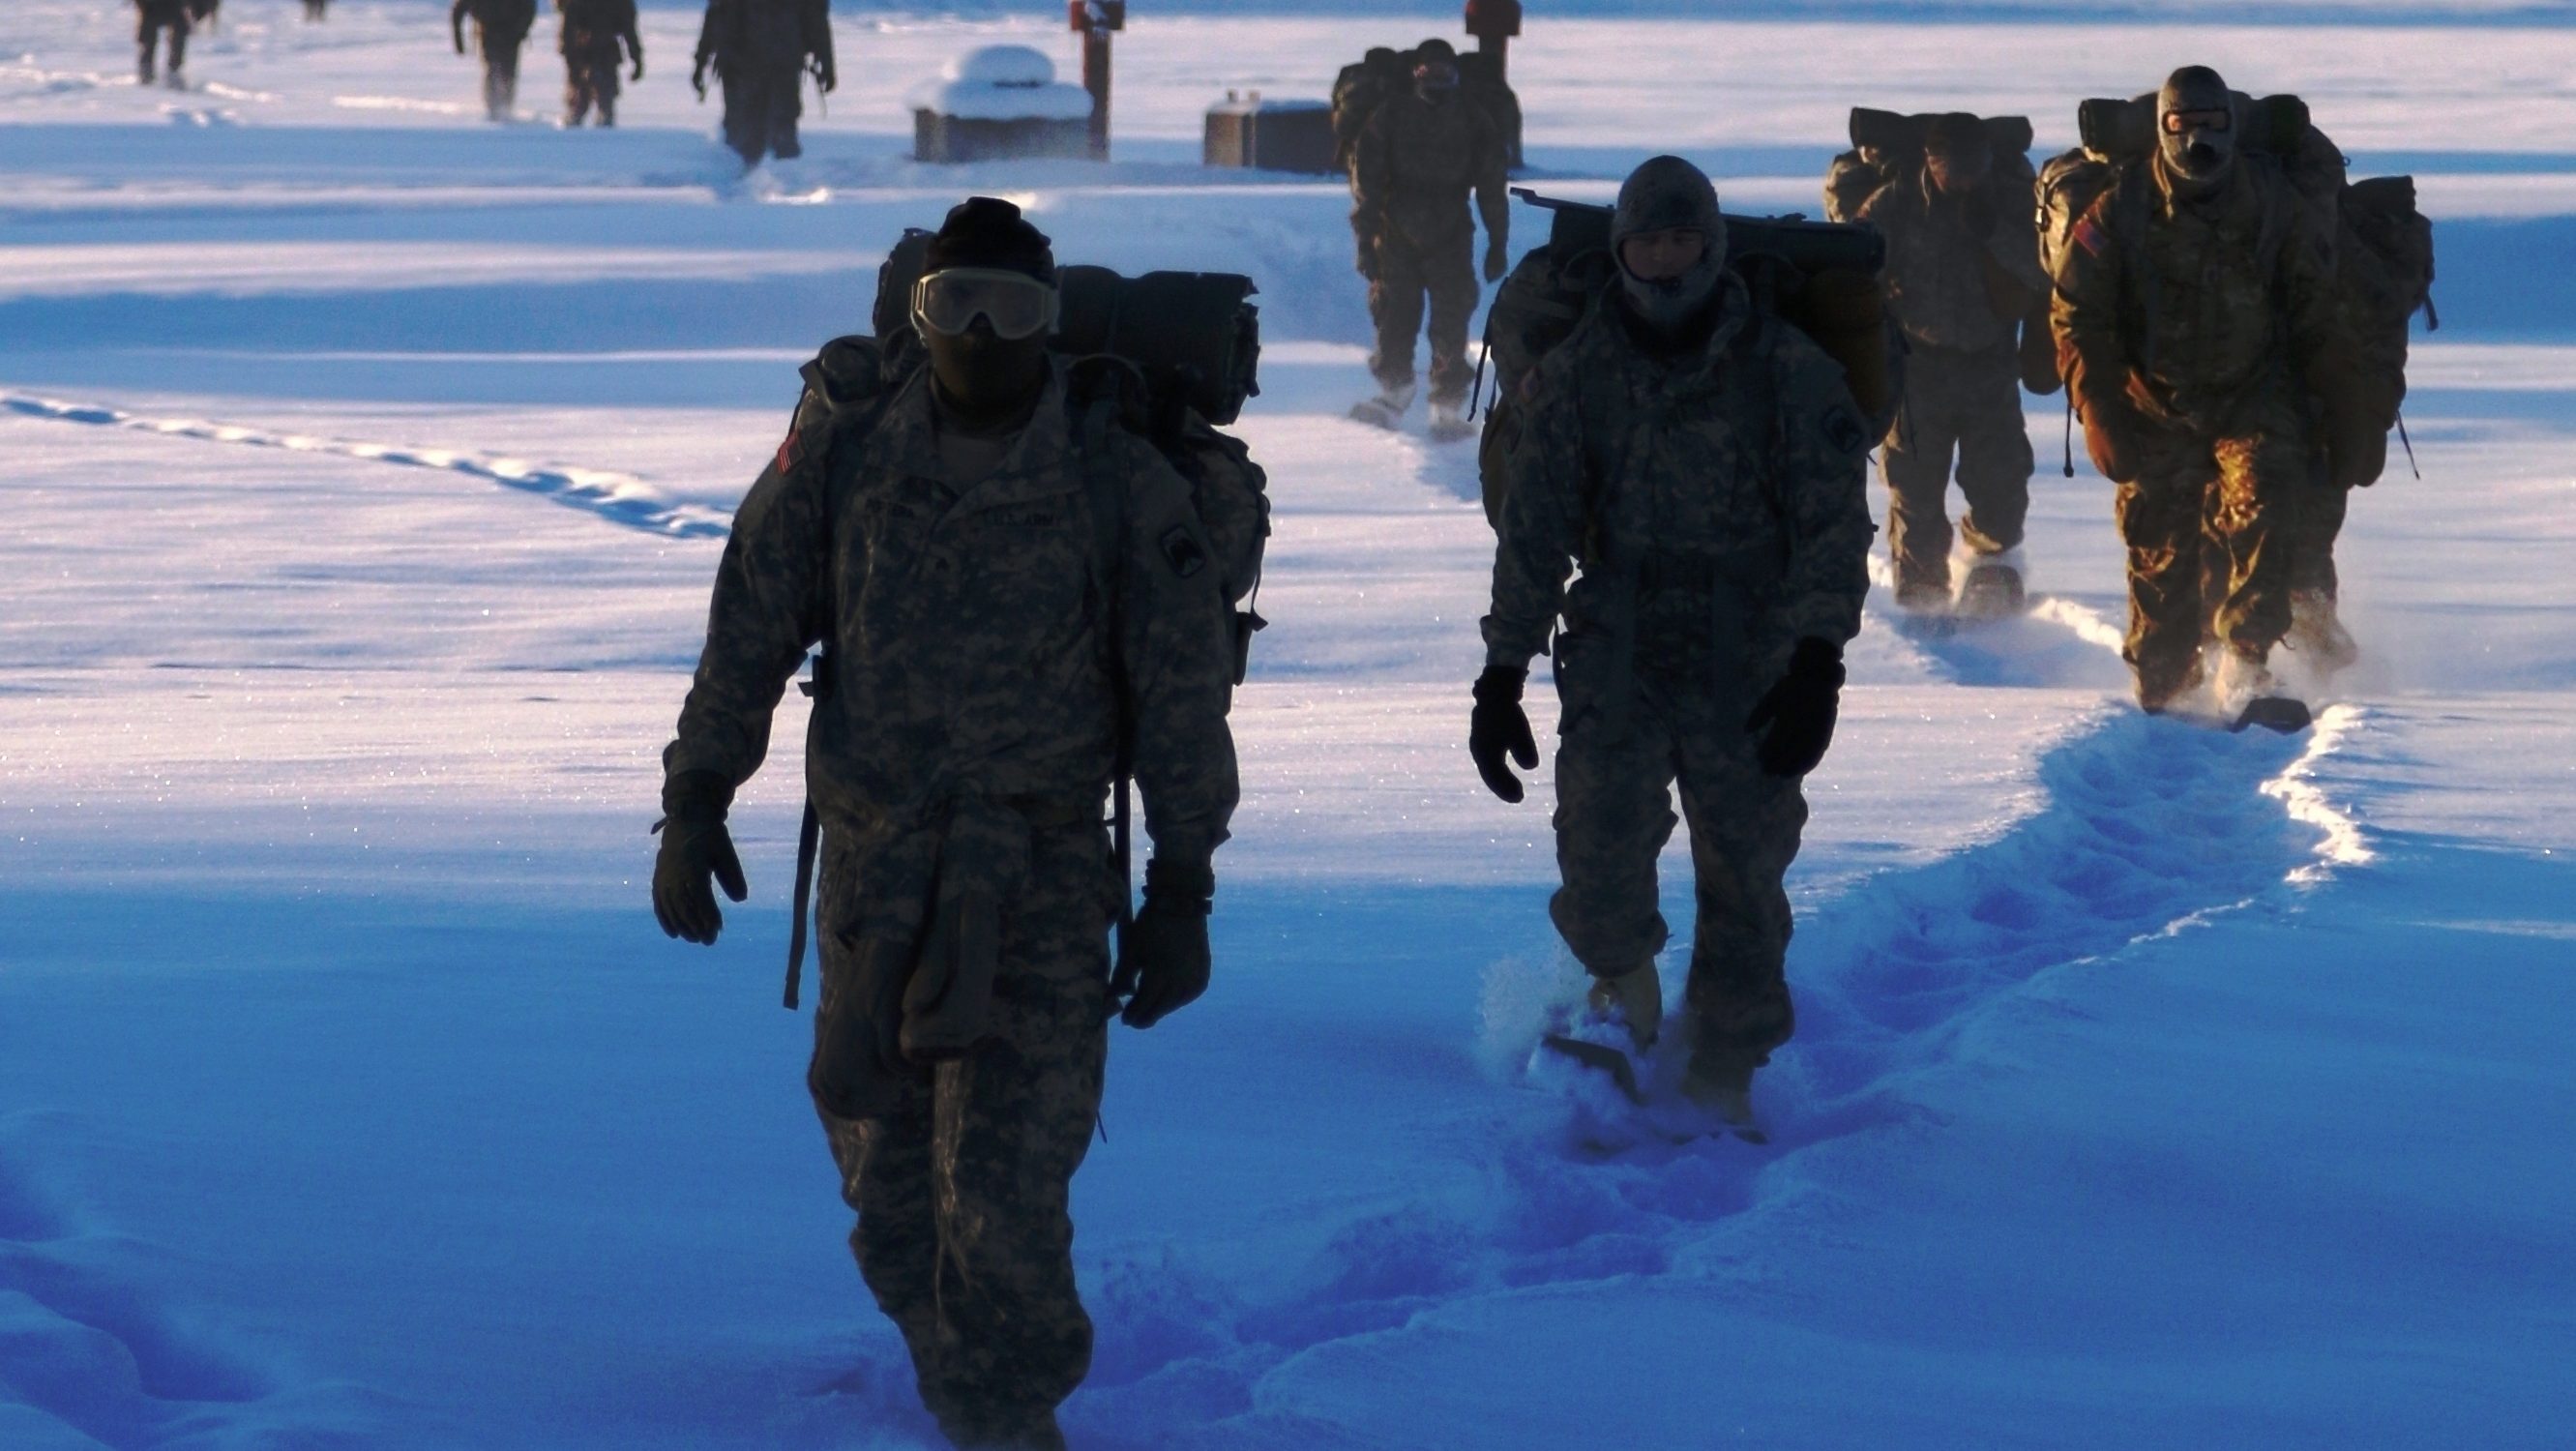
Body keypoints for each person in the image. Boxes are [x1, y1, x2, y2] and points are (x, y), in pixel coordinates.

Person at [653, 198, 1241, 1450]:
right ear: (916, 316)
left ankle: (1005, 1415)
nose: (981, 335)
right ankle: (960, 1375)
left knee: (1005, 1194)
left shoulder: (1108, 476)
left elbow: (1180, 692)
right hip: (874, 874)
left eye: (1012, 311)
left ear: (1050, 326)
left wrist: (1181, 888)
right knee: (888, 1190)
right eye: (952, 306)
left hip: (1034, 877)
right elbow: (753, 618)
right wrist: (696, 796)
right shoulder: (850, 451)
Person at [1469, 156, 1875, 1128]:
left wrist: (1818, 658)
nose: (1662, 264)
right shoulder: (1577, 373)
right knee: (1598, 847)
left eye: (1680, 242)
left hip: (1755, 645)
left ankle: (1723, 1067)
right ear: (1618, 254)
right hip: (1620, 638)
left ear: (1712, 248)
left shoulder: (1784, 367)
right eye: (1644, 244)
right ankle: (1621, 1002)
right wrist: (1500, 670)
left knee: (1742, 871)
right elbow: (1535, 530)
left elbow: (1832, 525)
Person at [2051, 66, 2339, 718]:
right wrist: (2096, 409)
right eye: (2182, 125)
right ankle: (2166, 690)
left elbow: (2313, 305)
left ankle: (2246, 661)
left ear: (2232, 127)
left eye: (2210, 125)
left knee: (2263, 505)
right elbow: (2075, 312)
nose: (2195, 140)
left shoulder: (2270, 200)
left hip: (2251, 394)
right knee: (2159, 559)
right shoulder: (2120, 205)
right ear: (2161, 128)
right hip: (2152, 404)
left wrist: (2332, 403)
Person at [1851, 113, 2046, 615]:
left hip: (1991, 365)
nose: (1963, 178)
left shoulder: (2010, 201)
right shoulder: (1895, 203)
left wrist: (1994, 231)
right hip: (1917, 370)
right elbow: (1852, 269)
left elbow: (2045, 269)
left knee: (2001, 488)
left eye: (1973, 167)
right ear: (1930, 163)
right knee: (1915, 492)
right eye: (1952, 169)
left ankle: (1991, 568)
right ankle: (1923, 602)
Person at [1347, 37, 1510, 440]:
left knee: (1451, 319)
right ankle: (1395, 391)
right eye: (1426, 71)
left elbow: (1492, 184)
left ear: (1456, 76)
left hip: (1452, 232)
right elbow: (1366, 181)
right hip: (1395, 230)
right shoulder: (1390, 115)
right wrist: (1365, 239)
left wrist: (1498, 241)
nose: (1435, 80)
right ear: (1414, 73)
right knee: (1394, 314)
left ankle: (1447, 405)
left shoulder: (1474, 120)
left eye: (1444, 73)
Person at [693, 0, 834, 169]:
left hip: (757, 64)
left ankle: (753, 179)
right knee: (769, 132)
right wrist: (826, 62)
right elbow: (816, 18)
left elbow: (716, 15)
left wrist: (702, 61)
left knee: (755, 133)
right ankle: (763, 179)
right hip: (764, 62)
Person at [557, 0, 641, 129]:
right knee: (581, 106)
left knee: (591, 106)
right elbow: (629, 29)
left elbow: (629, 28)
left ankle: (593, 132)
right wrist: (637, 58)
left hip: (598, 53)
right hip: (588, 53)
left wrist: (637, 58)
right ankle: (576, 133)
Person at [451, 0, 539, 122]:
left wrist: (520, 30)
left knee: (507, 72)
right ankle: (494, 108)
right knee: (493, 69)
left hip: (511, 35)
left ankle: (505, 108)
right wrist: (458, 40)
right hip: (488, 32)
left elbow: (529, 9)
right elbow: (459, 9)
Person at [133, 0, 191, 87]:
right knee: (148, 38)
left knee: (180, 31)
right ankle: (146, 70)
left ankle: (174, 70)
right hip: (150, 8)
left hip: (174, 6)